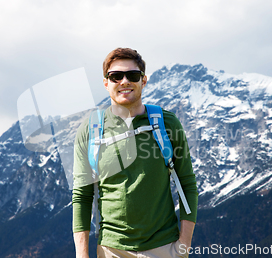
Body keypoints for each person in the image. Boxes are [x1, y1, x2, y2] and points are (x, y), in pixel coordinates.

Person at [72, 47, 198, 258]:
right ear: (106, 83)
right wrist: (82, 255)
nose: (124, 81)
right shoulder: (90, 129)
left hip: (164, 247)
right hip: (111, 249)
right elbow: (82, 195)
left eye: (132, 75)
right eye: (115, 76)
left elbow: (187, 185)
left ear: (143, 80)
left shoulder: (167, 124)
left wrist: (183, 247)